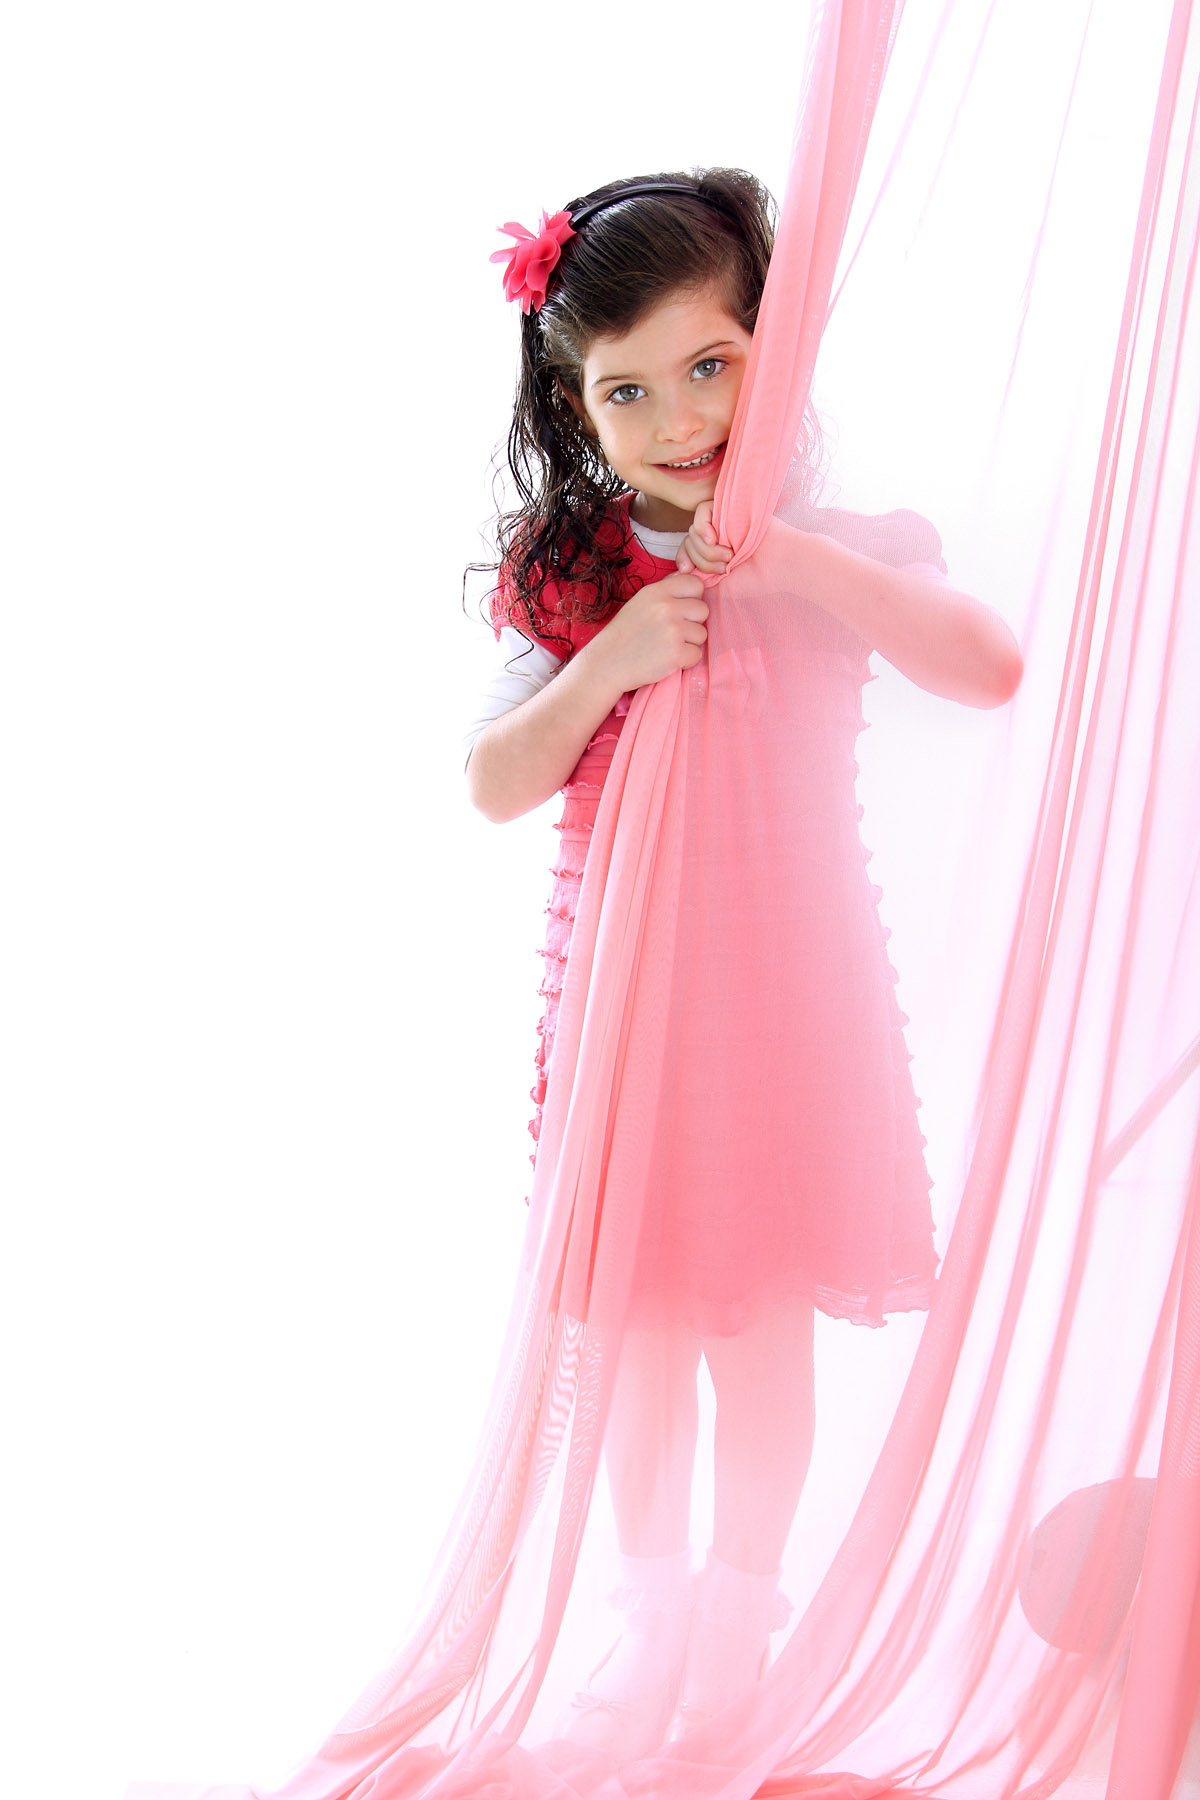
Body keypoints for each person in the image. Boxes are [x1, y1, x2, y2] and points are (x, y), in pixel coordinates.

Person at [464, 168, 1023, 1760]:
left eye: (712, 364)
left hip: (789, 1005)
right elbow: (496, 780)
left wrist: (803, 572)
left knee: (759, 1323)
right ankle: (648, 1623)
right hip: (631, 1012)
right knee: (639, 1325)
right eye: (627, 390)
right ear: (577, 409)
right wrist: (613, 661)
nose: (680, 416)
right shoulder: (578, 575)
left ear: (774, 351)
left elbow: (988, 666)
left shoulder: (844, 548)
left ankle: (736, 1629)